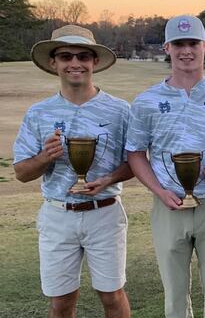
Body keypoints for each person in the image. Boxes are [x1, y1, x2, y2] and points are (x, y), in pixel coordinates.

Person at [125, 14, 205, 318]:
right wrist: (159, 190)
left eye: (193, 43)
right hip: (168, 206)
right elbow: (136, 153)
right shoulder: (147, 100)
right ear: (167, 47)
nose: (186, 50)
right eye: (179, 44)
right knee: (175, 294)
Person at [13, 25, 132, 318]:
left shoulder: (120, 111)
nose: (75, 63)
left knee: (112, 296)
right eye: (66, 56)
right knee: (61, 301)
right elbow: (21, 172)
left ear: (94, 62)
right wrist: (45, 157)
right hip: (58, 215)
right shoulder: (39, 113)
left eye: (83, 56)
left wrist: (109, 179)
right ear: (54, 63)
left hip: (104, 212)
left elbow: (137, 162)